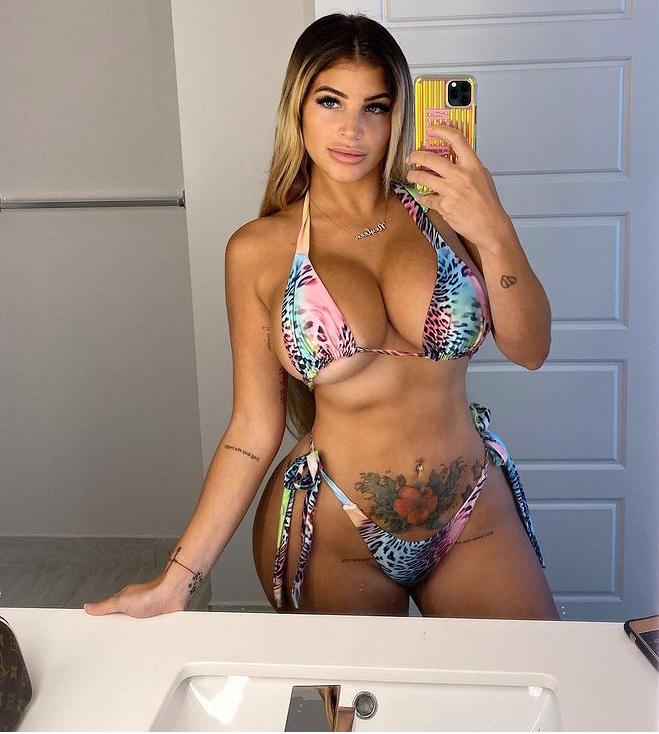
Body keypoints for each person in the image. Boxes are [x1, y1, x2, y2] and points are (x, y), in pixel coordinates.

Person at [84, 13, 558, 620]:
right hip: (335, 525)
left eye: (375, 107)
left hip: (471, 511)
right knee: (361, 688)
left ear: (397, 116)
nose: (352, 129)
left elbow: (530, 349)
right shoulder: (259, 250)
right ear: (298, 108)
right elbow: (252, 430)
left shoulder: (449, 212)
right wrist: (177, 580)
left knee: (530, 679)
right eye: (330, 101)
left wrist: (494, 227)